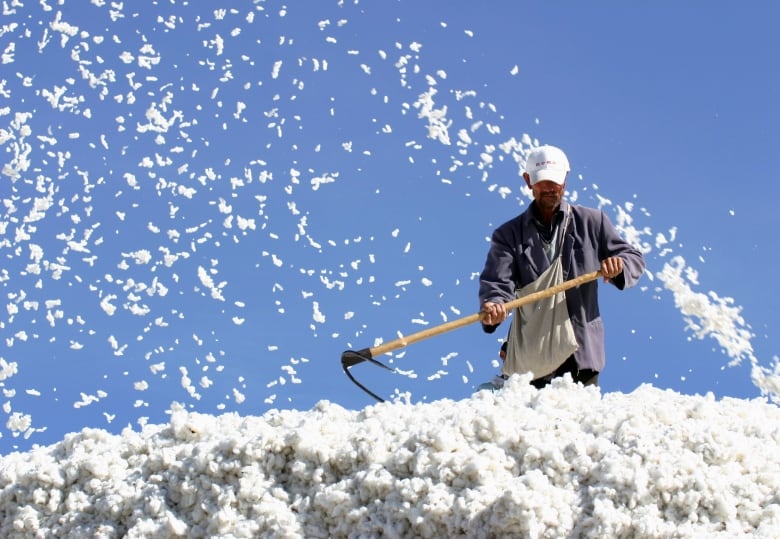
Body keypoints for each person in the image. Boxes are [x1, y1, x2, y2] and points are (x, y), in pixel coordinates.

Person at [479, 144, 645, 388]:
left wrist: (619, 265)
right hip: (532, 359)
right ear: (528, 181)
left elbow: (633, 257)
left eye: (555, 181)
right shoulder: (509, 235)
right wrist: (494, 305)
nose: (549, 188)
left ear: (565, 180)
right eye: (542, 181)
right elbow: (497, 283)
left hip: (581, 351)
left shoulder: (591, 222)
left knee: (578, 423)